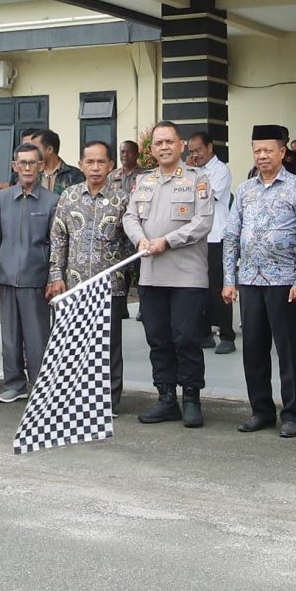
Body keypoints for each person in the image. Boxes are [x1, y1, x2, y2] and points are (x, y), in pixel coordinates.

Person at [223, 124, 296, 436]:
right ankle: (261, 410)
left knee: (289, 350)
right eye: (257, 150)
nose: (262, 156)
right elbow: (231, 235)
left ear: (283, 153)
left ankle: (293, 414)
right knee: (253, 349)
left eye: (268, 150)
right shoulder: (246, 189)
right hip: (250, 281)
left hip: (285, 282)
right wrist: (228, 279)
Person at [127, 121, 217, 427]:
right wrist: (139, 238)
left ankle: (191, 398)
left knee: (187, 337)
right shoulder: (143, 182)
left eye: (169, 142)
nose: (164, 147)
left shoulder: (198, 180)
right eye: (158, 143)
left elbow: (203, 222)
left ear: (181, 146)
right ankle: (166, 398)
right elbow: (129, 216)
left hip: (187, 276)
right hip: (152, 276)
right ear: (151, 150)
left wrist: (168, 241)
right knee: (158, 338)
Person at [48, 138, 136, 410]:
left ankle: (108, 400)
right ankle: (76, 397)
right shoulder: (69, 196)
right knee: (74, 344)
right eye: (90, 161)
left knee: (108, 346)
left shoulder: (123, 199)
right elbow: (58, 238)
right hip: (74, 285)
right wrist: (56, 276)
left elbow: (131, 241)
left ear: (111, 165)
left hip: (110, 286)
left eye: (101, 162)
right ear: (81, 164)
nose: (95, 167)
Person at [0, 142, 57, 404]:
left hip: (36, 278)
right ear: (15, 166)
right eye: (22, 163)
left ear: (40, 166)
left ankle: (40, 385)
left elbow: (55, 243)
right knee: (10, 336)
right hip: (6, 277)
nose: (27, 168)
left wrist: (53, 278)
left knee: (37, 337)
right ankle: (14, 384)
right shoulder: (3, 198)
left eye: (32, 163)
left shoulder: (52, 201)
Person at [187, 128, 237, 355]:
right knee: (200, 286)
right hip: (198, 237)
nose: (195, 155)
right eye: (191, 151)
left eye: (198, 150)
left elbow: (204, 196)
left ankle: (227, 335)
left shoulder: (220, 170)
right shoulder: (191, 171)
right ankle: (204, 332)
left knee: (219, 287)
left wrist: (191, 174)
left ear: (209, 147)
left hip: (217, 236)